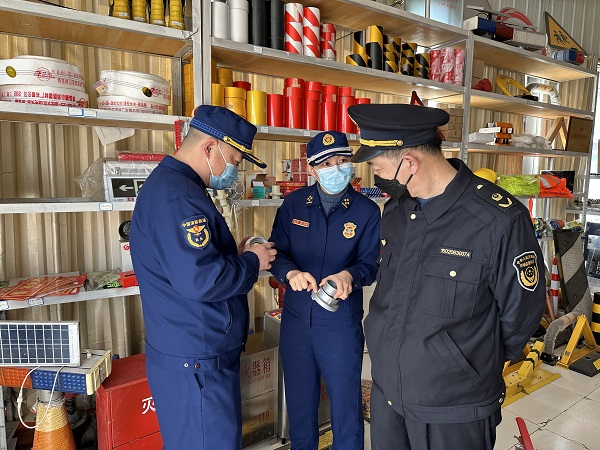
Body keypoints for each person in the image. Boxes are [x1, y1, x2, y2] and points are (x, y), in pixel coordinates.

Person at [347, 103, 546, 450]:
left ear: (409, 163)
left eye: (378, 169)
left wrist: (466, 364)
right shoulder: (396, 212)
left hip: (454, 409)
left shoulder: (498, 220)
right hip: (389, 395)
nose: (377, 178)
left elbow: (522, 314)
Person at [130, 105, 277, 450]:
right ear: (210, 148)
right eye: (234, 161)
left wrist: (233, 257)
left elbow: (192, 264)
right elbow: (202, 280)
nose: (234, 173)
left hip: (189, 354)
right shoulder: (180, 197)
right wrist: (252, 262)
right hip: (197, 362)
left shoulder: (174, 186)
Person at [269, 131, 381, 450]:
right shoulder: (294, 205)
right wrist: (290, 272)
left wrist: (349, 275)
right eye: (327, 164)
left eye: (342, 161)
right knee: (300, 403)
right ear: (312, 169)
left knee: (345, 404)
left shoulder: (366, 211)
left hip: (340, 322)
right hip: (296, 321)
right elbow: (276, 253)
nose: (336, 168)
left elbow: (371, 265)